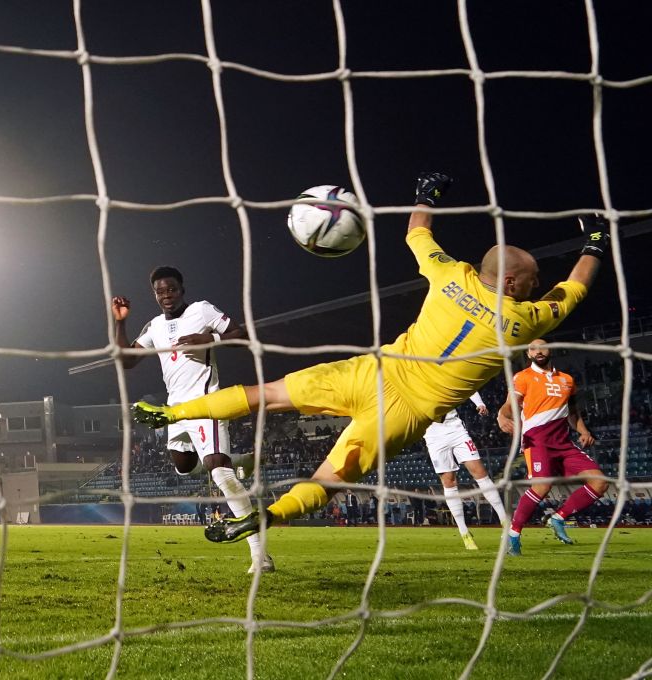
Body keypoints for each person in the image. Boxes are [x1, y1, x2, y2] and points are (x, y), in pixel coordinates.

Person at [132, 172, 609, 546]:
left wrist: (427, 194)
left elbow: (416, 231)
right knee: (333, 477)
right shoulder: (527, 321)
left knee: (270, 394)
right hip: (405, 412)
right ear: (510, 285)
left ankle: (170, 413)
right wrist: (594, 243)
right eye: (532, 279)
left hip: (371, 371)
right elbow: (577, 287)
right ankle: (267, 517)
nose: (537, 282)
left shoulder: (451, 276)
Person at [112, 266, 274, 573]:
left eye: (171, 289)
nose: (166, 296)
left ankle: (260, 556)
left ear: (182, 289)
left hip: (206, 404)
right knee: (184, 466)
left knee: (221, 476)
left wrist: (208, 338)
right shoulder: (155, 326)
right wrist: (120, 323)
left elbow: (243, 335)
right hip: (175, 410)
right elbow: (126, 361)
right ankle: (239, 459)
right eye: (160, 291)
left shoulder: (202, 310)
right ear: (155, 295)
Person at [497, 339, 608, 555]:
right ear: (529, 354)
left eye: (542, 347)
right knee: (542, 486)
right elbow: (510, 405)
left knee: (600, 482)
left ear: (550, 351)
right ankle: (513, 534)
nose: (538, 351)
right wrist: (502, 415)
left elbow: (573, 413)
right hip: (536, 441)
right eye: (533, 348)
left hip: (563, 443)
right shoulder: (522, 377)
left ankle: (558, 518)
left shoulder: (567, 380)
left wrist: (583, 431)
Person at [423, 392, 507, 550]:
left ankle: (505, 523)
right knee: (449, 481)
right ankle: (464, 533)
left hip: (456, 429)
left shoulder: (445, 369)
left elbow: (468, 385)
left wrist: (479, 403)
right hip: (433, 435)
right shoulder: (413, 377)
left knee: (480, 473)